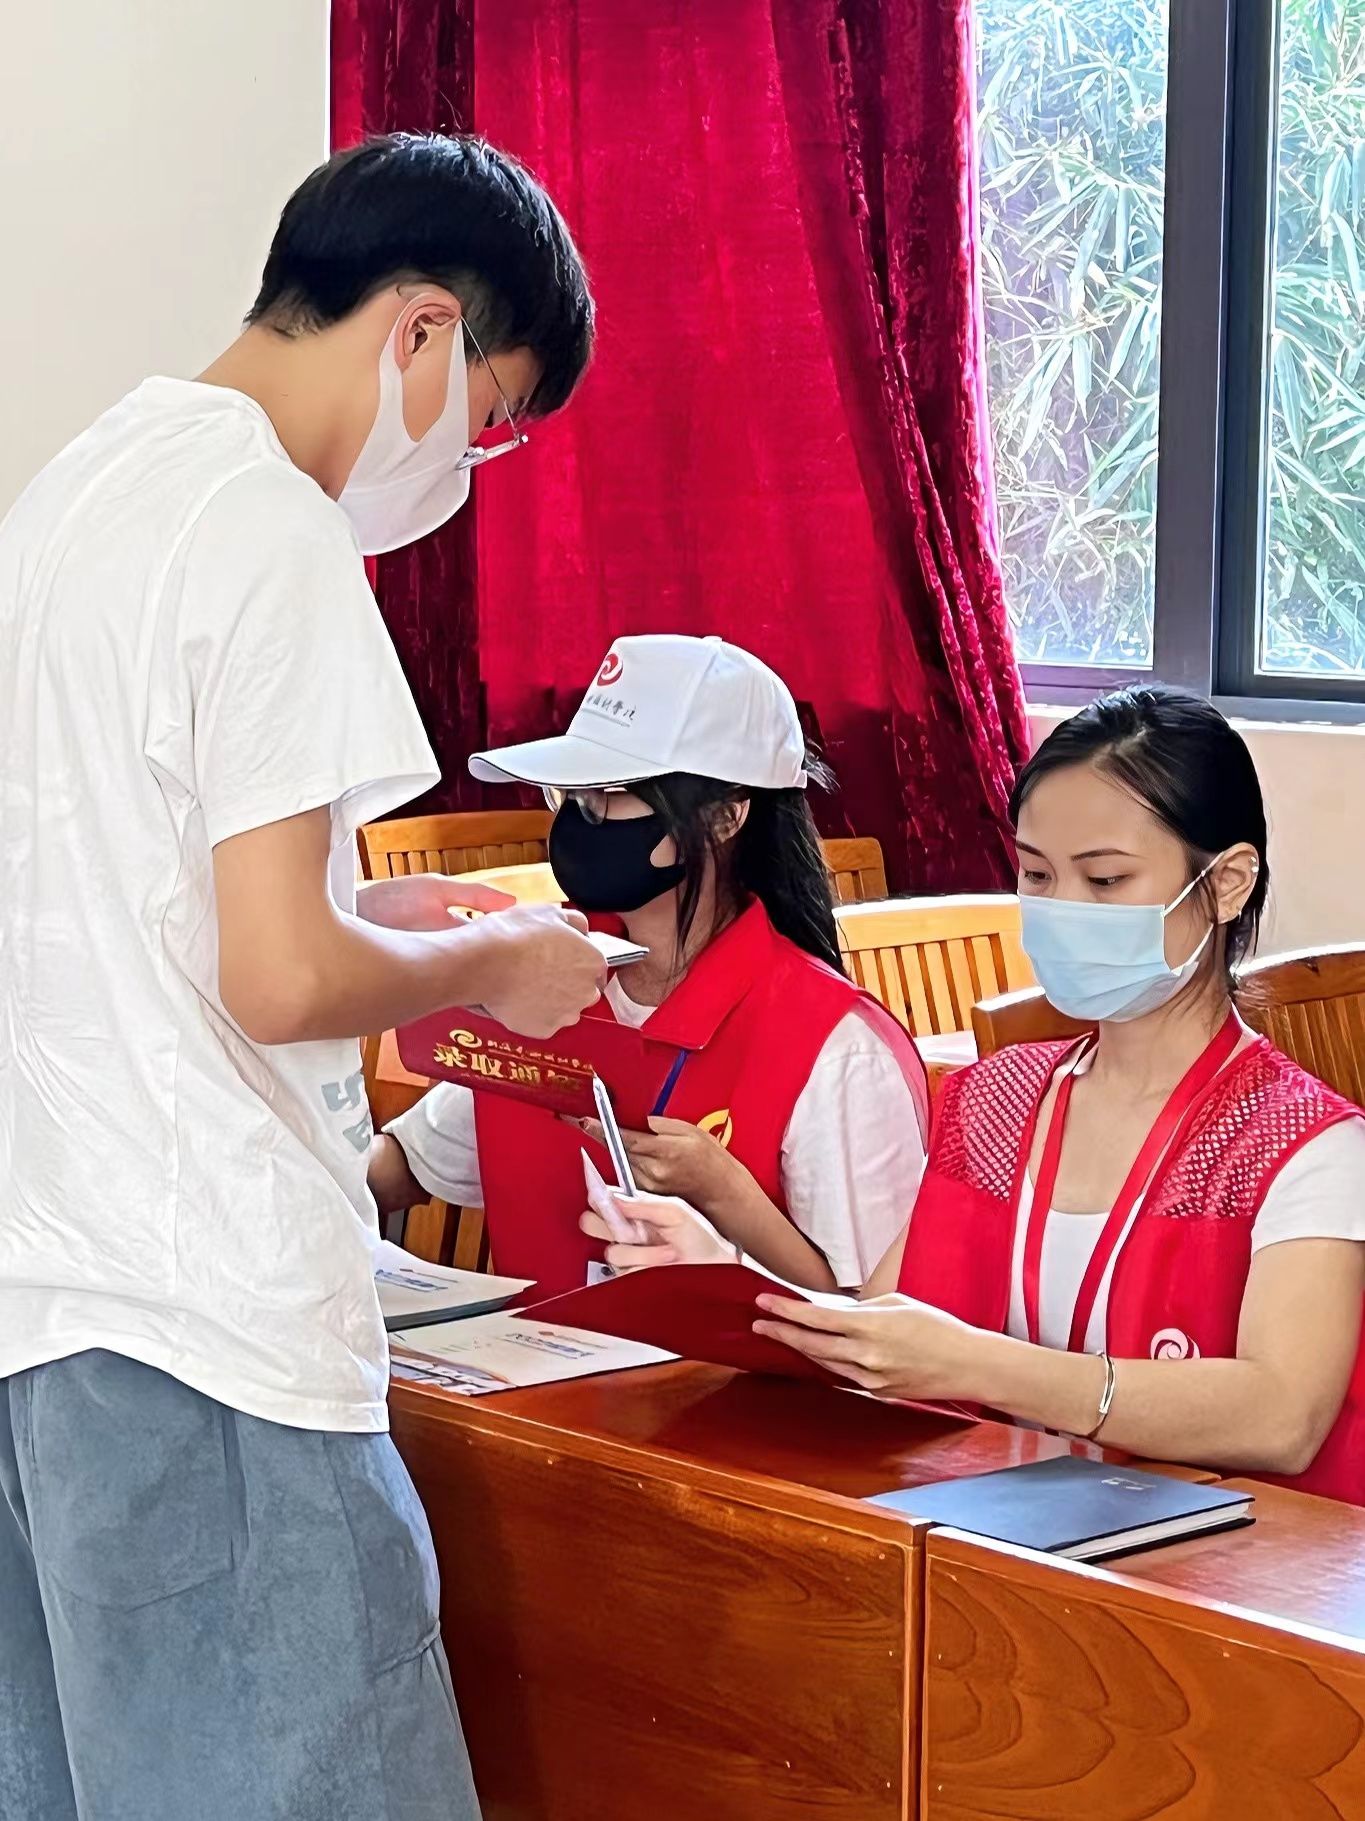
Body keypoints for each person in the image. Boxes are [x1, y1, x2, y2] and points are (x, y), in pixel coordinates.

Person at [0, 134, 608, 1821]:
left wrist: (404, 919)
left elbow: (144, 905)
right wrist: (496, 958)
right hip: (209, 1321)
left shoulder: (74, 493)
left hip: (46, 1299)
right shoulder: (266, 524)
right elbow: (274, 975)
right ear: (420, 330)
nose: (468, 460)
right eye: (491, 415)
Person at [592, 688, 1365, 1503]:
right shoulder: (994, 1098)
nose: (1062, 908)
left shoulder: (1305, 1144)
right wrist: (722, 1269)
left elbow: (1280, 1415)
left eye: (1105, 878)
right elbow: (882, 1327)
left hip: (1212, 1563)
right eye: (1036, 873)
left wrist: (975, 1364)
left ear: (1227, 882)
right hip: (986, 1532)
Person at [370, 634, 930, 1296]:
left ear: (724, 816)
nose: (579, 823)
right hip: (526, 1362)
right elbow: (405, 1164)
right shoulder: (540, 985)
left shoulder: (836, 1048)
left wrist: (725, 1197)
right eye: (569, 795)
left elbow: (874, 1325)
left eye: (607, 794)